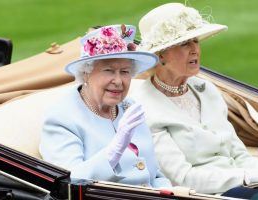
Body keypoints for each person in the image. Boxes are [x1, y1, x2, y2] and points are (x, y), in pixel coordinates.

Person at [130, 3, 258, 199]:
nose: (195, 50)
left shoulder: (207, 89)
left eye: (195, 41)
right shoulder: (144, 107)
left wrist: (252, 175)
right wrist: (246, 177)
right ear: (160, 54)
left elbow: (239, 153)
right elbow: (182, 178)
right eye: (184, 43)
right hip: (207, 195)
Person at [39, 24, 172, 188]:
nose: (118, 81)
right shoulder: (62, 119)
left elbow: (155, 174)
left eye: (125, 72)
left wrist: (170, 193)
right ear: (86, 72)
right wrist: (113, 151)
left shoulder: (129, 107)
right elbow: (68, 185)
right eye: (109, 70)